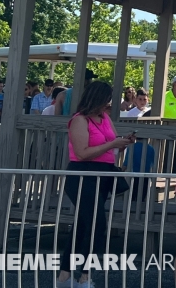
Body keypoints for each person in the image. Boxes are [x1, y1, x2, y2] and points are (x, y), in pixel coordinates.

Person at [56, 81, 135, 288]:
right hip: (83, 175)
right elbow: (82, 153)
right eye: (107, 99)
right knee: (96, 225)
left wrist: (123, 142)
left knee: (83, 225)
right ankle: (83, 275)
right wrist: (112, 144)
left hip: (103, 174)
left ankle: (65, 275)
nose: (109, 104)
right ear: (97, 99)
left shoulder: (105, 117)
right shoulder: (79, 120)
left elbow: (111, 142)